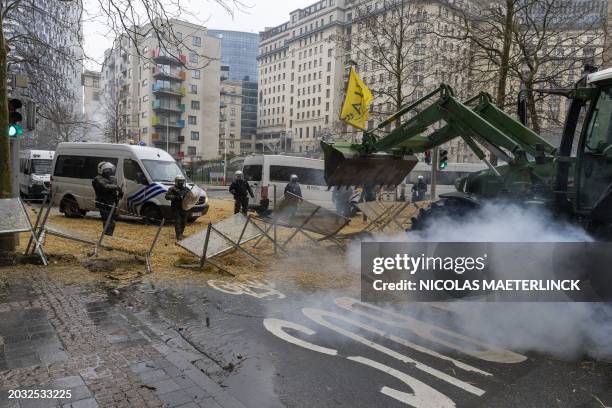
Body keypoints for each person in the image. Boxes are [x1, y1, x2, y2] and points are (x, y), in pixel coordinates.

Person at [92, 162, 122, 236]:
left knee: (113, 219)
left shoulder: (113, 179)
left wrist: (120, 193)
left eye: (110, 170)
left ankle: (110, 234)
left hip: (112, 202)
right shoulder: (97, 179)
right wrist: (117, 187)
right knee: (106, 218)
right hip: (103, 202)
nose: (109, 172)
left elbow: (116, 189)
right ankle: (106, 234)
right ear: (102, 170)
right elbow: (105, 186)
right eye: (107, 170)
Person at [165, 175, 190, 240]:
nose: (181, 182)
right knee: (178, 221)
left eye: (182, 181)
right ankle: (178, 235)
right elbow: (167, 196)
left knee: (184, 222)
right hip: (176, 208)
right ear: (176, 181)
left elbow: (191, 196)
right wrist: (176, 197)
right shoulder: (172, 188)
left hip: (184, 207)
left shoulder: (186, 189)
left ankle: (181, 233)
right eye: (180, 181)